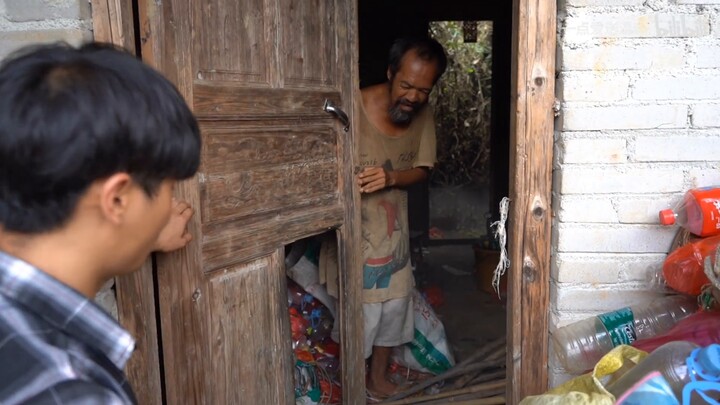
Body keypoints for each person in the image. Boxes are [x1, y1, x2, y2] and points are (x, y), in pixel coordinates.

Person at [0, 42, 201, 404]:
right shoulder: (68, 391)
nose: (170, 206)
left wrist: (142, 235)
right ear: (117, 199)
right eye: (170, 187)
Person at [357, 36, 447, 398]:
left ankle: (375, 379)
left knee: (394, 306)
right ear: (390, 73)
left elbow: (424, 169)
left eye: (423, 90)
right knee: (359, 309)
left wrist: (391, 177)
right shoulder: (355, 105)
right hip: (354, 229)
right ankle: (351, 378)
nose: (413, 97)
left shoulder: (422, 115)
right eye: (406, 85)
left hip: (392, 231)